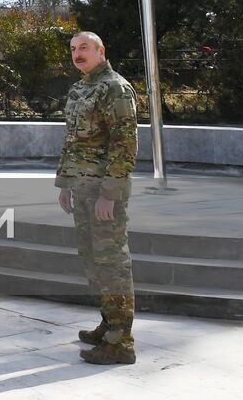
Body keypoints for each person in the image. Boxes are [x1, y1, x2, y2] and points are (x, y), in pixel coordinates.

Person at [57, 31, 137, 365]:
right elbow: (72, 141)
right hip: (82, 188)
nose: (78, 54)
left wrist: (110, 194)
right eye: (74, 49)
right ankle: (109, 325)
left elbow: (125, 145)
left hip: (104, 192)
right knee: (92, 260)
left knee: (112, 263)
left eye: (84, 48)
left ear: (101, 50)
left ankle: (122, 343)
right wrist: (65, 182)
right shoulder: (80, 89)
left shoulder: (115, 88)